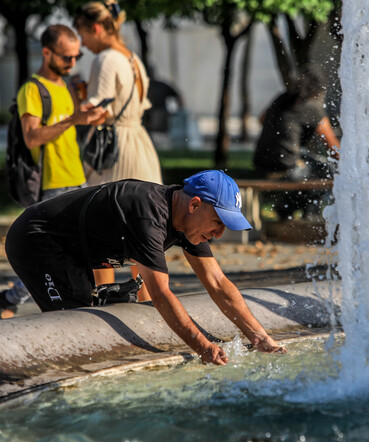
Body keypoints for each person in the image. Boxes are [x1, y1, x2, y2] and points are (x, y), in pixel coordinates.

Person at [5, 170, 286, 365]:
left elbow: (218, 283)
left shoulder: (188, 222)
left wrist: (262, 339)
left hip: (73, 250)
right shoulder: (147, 214)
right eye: (218, 223)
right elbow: (161, 294)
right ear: (195, 204)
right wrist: (203, 347)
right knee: (72, 324)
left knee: (89, 319)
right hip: (37, 240)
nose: (219, 234)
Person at [0, 24, 106, 319]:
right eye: (66, 57)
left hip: (77, 178)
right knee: (49, 254)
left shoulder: (67, 86)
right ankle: (13, 299)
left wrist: (87, 115)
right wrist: (74, 118)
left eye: (77, 56)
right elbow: (32, 137)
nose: (73, 63)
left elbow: (72, 132)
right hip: (51, 184)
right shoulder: (32, 89)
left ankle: (19, 299)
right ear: (47, 52)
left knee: (80, 251)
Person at [73, 1, 163, 299]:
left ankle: (104, 300)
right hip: (140, 142)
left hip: (117, 149)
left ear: (96, 28)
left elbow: (97, 110)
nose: (82, 43)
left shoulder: (106, 59)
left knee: (99, 227)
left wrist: (76, 99)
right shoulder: (132, 58)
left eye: (82, 34)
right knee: (144, 229)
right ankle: (150, 304)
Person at [253, 65, 340, 219]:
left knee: (307, 160)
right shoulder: (312, 109)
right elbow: (333, 146)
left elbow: (261, 120)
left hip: (261, 163)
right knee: (327, 170)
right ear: (319, 89)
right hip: (285, 168)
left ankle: (287, 210)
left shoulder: (282, 98)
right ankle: (307, 213)